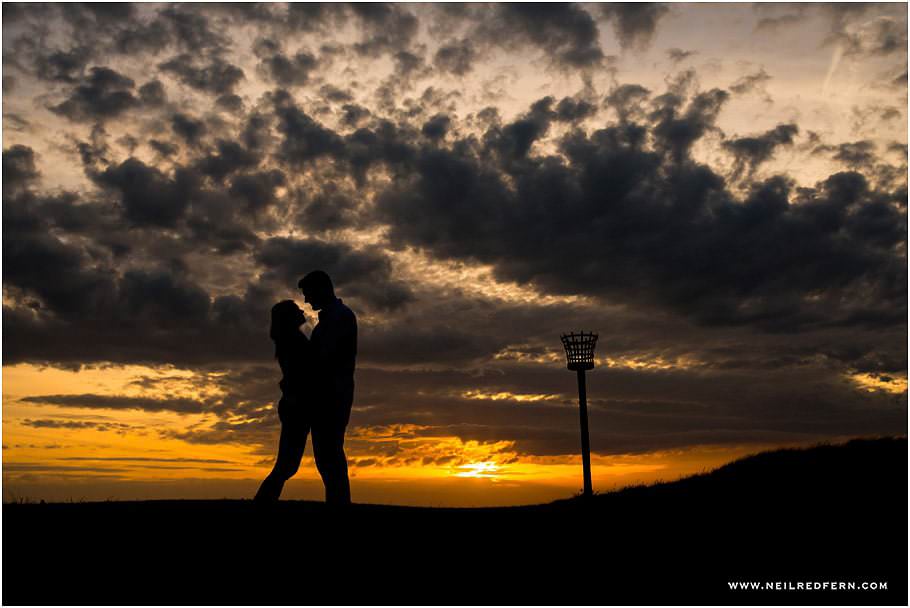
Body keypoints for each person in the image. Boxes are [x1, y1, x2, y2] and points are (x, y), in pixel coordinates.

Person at [298, 270, 357, 506]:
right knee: (328, 457)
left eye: (308, 293)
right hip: (330, 395)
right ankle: (337, 504)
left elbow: (324, 359)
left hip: (331, 397)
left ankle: (339, 506)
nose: (306, 300)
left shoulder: (339, 317)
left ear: (321, 289)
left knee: (329, 456)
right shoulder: (333, 318)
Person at [254, 300, 311, 502]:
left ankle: (264, 500)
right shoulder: (292, 341)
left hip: (294, 404)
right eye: (297, 310)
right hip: (296, 405)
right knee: (286, 465)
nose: (302, 311)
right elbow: (299, 375)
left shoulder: (290, 339)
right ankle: (263, 501)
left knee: (287, 464)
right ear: (289, 318)